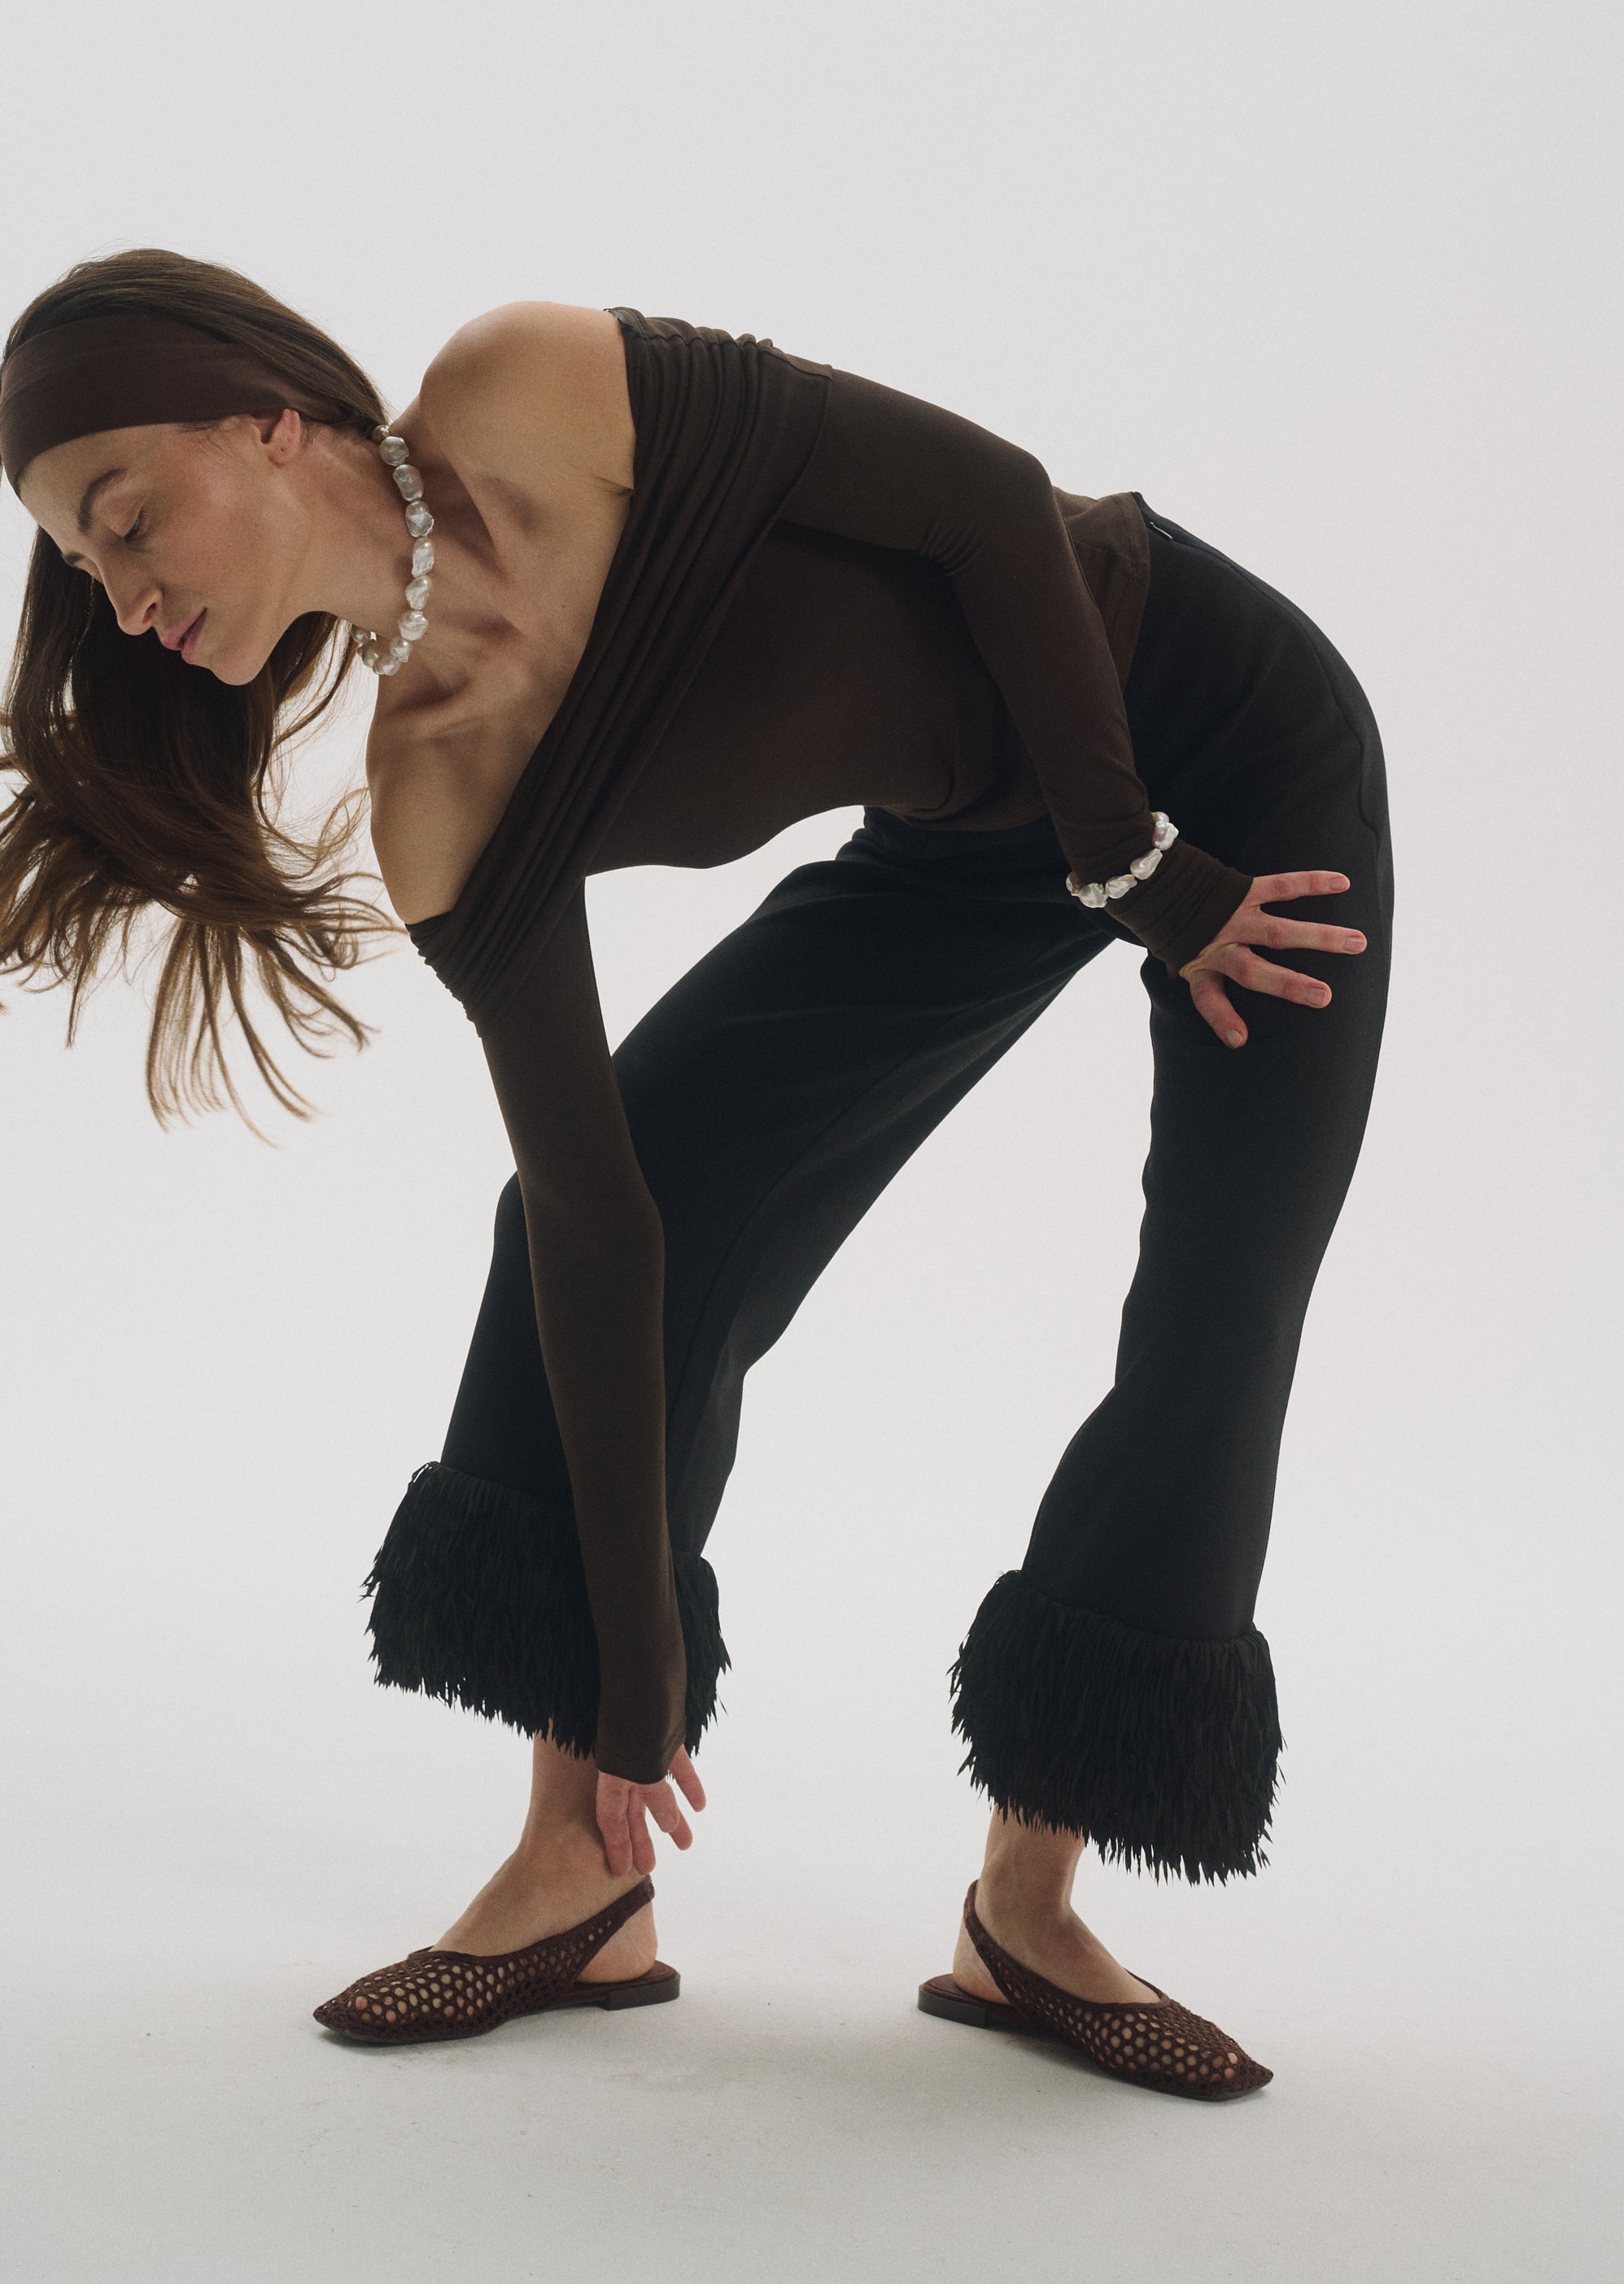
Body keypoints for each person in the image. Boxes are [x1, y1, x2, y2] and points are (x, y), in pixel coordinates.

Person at [1, 248, 1391, 2102]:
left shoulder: (530, 387)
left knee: (1221, 1302)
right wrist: (635, 1681)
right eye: (80, 566)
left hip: (1214, 729)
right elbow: (600, 1221)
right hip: (969, 843)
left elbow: (986, 507)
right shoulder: (435, 781)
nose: (117, 589)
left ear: (268, 419)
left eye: (123, 516)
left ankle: (1027, 1910)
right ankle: (584, 1869)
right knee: (618, 1191)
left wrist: (1135, 860)